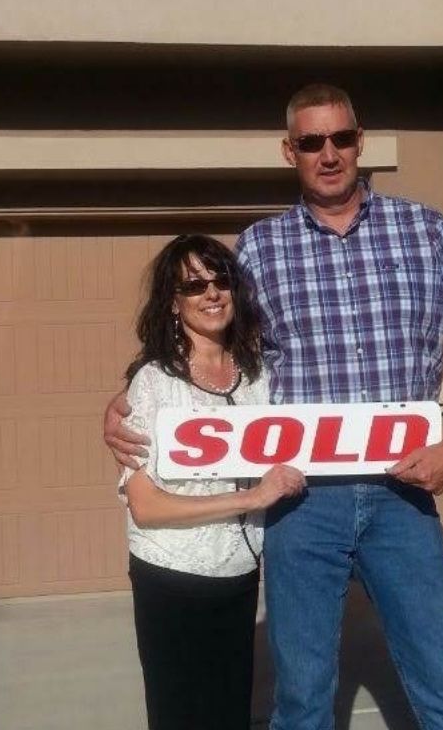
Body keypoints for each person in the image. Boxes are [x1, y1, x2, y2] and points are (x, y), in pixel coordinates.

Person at [107, 84, 443, 730]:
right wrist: (129, 397)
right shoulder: (258, 249)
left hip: (402, 493)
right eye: (312, 141)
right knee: (303, 697)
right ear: (289, 151)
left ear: (359, 142)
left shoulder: (426, 230)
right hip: (301, 500)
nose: (329, 153)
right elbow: (208, 338)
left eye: (341, 138)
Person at [118, 233, 307, 730]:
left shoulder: (260, 377)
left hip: (240, 576)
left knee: (229, 713)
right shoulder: (154, 382)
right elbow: (146, 506)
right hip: (170, 575)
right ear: (173, 302)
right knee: (179, 715)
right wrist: (252, 497)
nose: (211, 293)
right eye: (194, 285)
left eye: (221, 280)